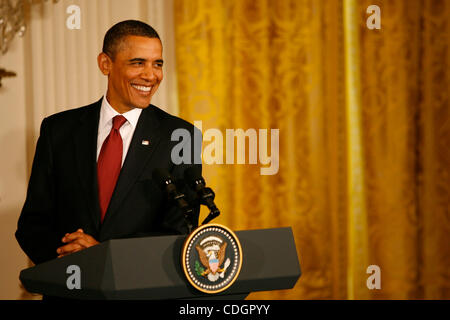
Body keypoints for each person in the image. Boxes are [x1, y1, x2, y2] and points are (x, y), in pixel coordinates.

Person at [15, 20, 201, 266]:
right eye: (138, 63)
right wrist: (69, 255)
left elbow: (181, 231)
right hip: (70, 290)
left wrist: (103, 254)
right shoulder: (58, 130)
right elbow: (33, 224)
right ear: (105, 64)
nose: (151, 75)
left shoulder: (181, 135)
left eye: (157, 64)